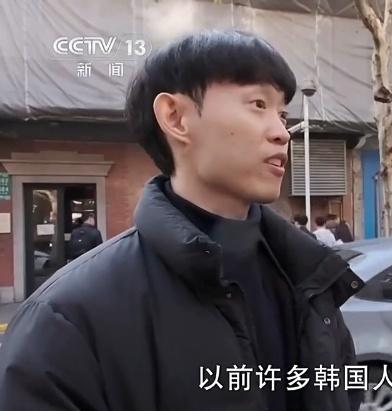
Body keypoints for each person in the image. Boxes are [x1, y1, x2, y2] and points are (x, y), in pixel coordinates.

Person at [0, 30, 364, 411]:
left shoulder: (309, 278)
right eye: (258, 104)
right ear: (175, 117)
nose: (281, 133)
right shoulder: (66, 320)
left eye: (282, 114)